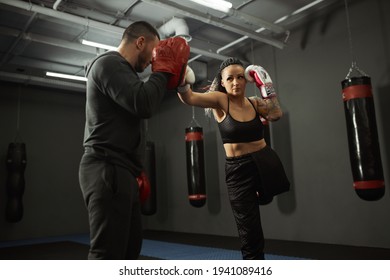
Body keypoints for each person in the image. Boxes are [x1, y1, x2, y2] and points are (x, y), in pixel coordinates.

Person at [78, 21, 190, 259]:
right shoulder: (108, 63)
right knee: (107, 254)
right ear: (140, 42)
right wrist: (164, 69)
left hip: (121, 170)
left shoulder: (125, 73)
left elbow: (138, 105)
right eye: (154, 51)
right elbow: (144, 103)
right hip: (106, 168)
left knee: (129, 251)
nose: (153, 59)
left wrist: (135, 169)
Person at [177, 57, 290, 260]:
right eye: (230, 79)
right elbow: (190, 98)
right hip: (239, 171)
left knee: (266, 199)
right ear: (222, 82)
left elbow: (276, 114)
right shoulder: (220, 101)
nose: (236, 82)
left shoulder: (254, 102)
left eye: (240, 77)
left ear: (247, 79)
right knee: (250, 230)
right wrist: (181, 82)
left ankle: (262, 193)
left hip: (265, 162)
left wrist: (266, 85)